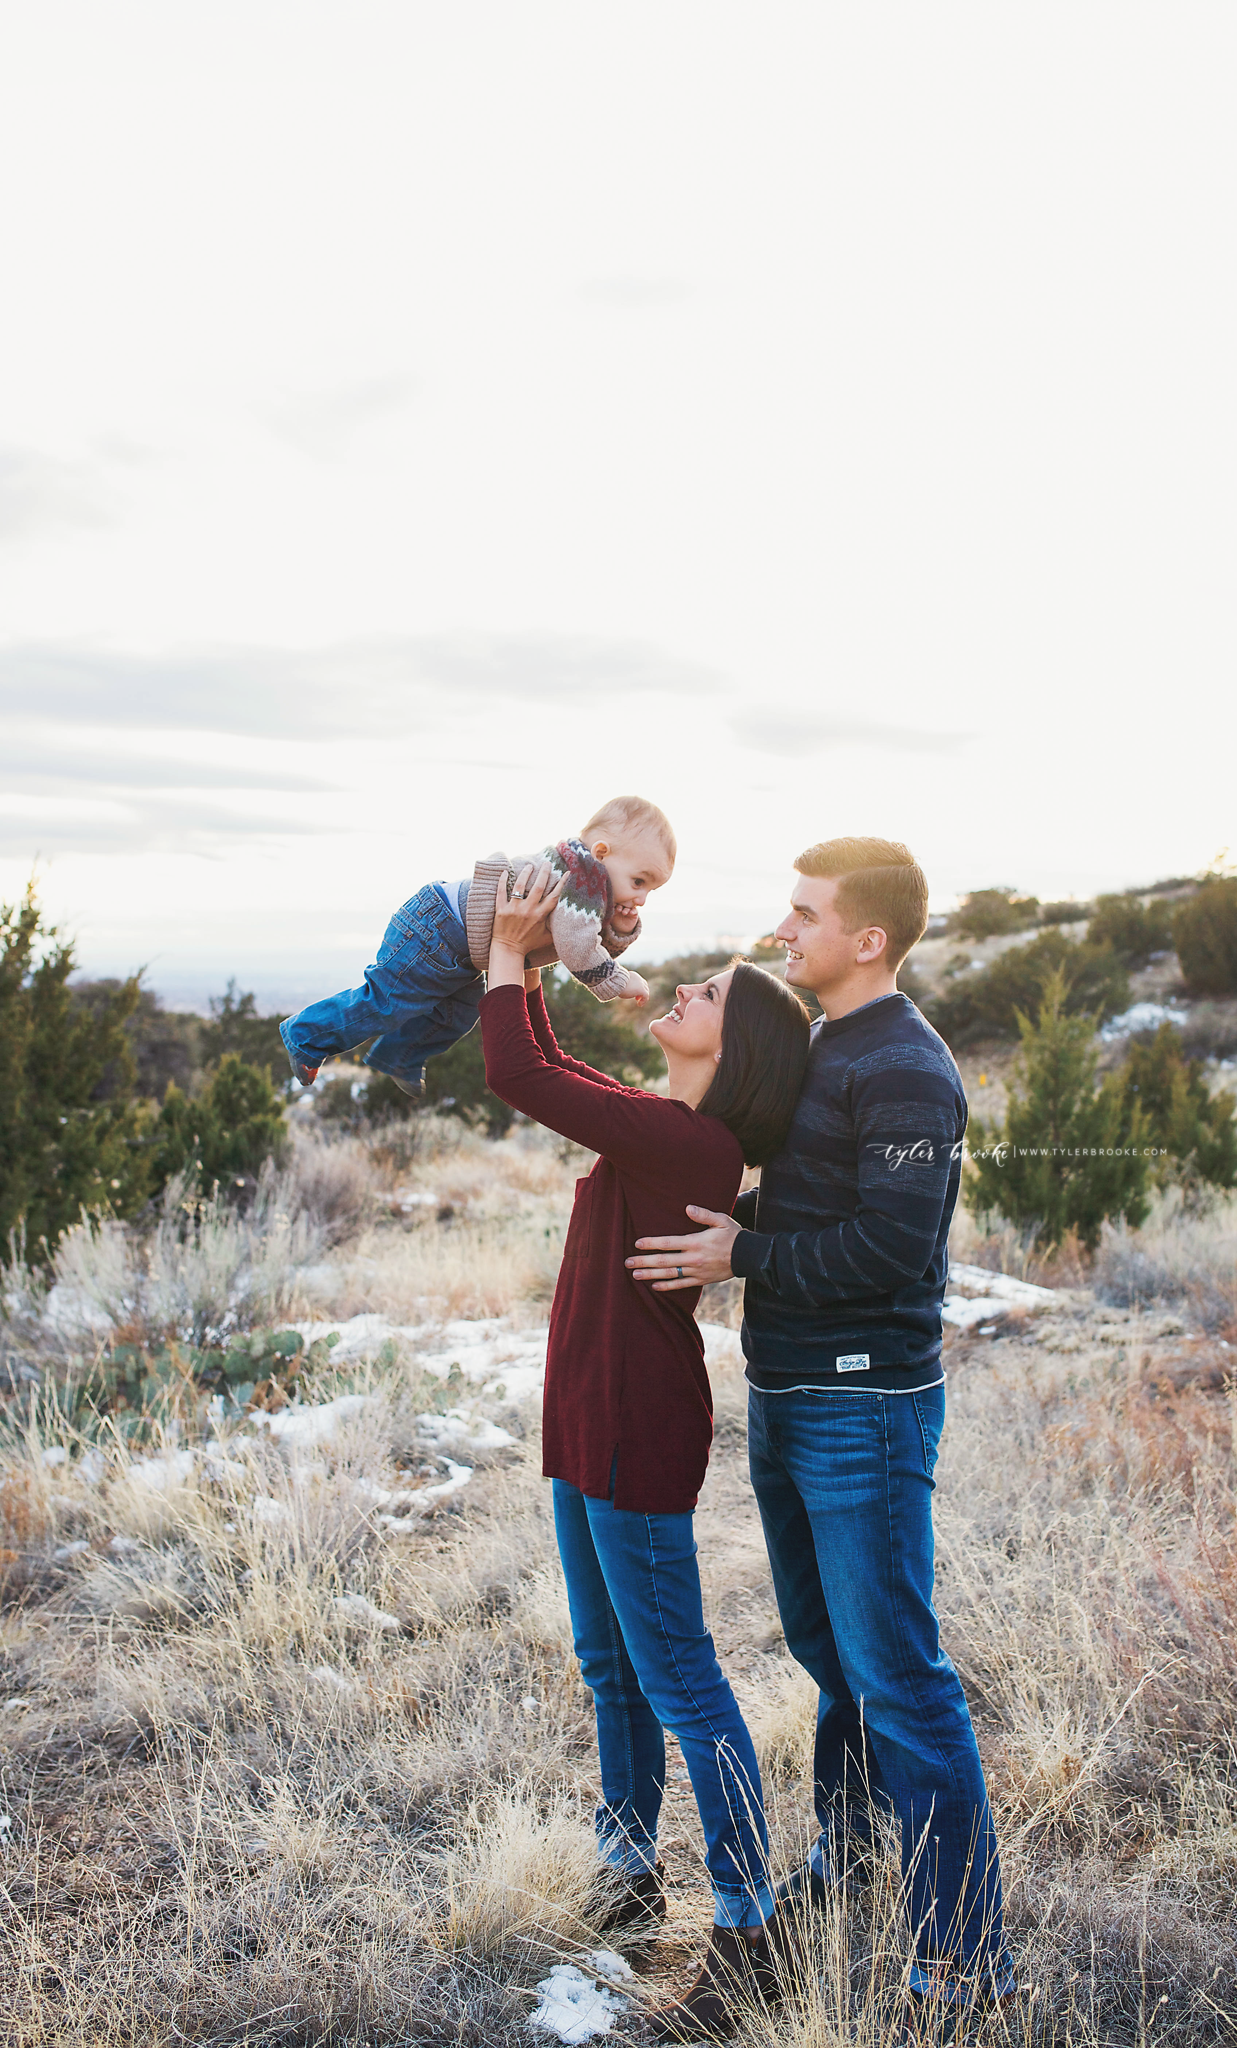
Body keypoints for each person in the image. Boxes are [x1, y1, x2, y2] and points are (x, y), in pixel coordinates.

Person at [627, 837, 1015, 2029]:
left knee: (900, 1676)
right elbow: (811, 1202)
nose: (781, 931)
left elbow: (893, 1247)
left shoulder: (907, 1067)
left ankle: (962, 1955)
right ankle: (852, 1856)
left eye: (804, 915)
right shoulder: (828, 1045)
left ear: (868, 941)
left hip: (865, 1406)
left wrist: (740, 1252)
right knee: (828, 1655)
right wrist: (724, 1211)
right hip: (789, 1395)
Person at [480, 859, 812, 2045]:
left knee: (682, 1680)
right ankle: (629, 1878)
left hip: (636, 1425)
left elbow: (521, 1070)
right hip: (582, 1420)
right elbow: (564, 1074)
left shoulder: (695, 1148)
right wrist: (549, 968)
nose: (683, 989)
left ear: (743, 1050)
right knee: (610, 1669)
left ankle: (747, 1925)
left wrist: (511, 947)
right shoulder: (670, 1125)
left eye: (709, 992)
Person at [277, 794, 672, 1099]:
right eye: (639, 882)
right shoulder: (582, 878)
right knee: (386, 1002)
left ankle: (399, 1056)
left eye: (652, 890)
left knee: (457, 1015)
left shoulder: (586, 880)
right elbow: (577, 945)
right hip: (436, 928)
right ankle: (306, 1036)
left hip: (458, 944)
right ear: (602, 852)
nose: (642, 897)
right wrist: (620, 981)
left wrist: (620, 926)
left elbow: (587, 935)